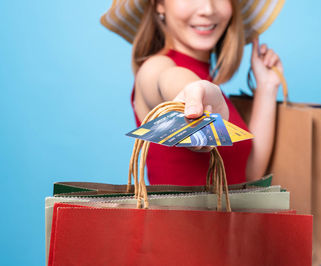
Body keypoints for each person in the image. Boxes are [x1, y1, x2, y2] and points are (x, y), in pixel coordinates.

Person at [101, 0, 285, 185]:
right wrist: (193, 90)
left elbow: (246, 177)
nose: (208, 9)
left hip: (233, 213)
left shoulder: (212, 88)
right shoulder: (156, 67)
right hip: (177, 215)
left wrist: (267, 87)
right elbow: (167, 78)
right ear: (159, 4)